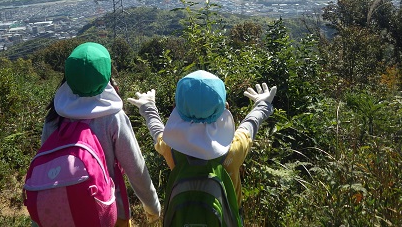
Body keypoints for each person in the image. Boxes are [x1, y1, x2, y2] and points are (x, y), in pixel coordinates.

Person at [127, 69, 277, 222]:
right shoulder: (233, 149)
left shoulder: (171, 148)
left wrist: (148, 107)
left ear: (175, 108)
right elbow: (249, 125)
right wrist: (262, 105)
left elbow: (157, 130)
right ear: (226, 106)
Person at [40, 42, 161, 226]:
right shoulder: (113, 117)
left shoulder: (55, 115)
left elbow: (45, 161)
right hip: (110, 211)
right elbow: (135, 167)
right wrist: (152, 206)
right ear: (106, 74)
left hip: (63, 213)